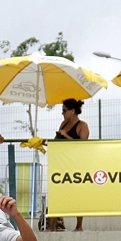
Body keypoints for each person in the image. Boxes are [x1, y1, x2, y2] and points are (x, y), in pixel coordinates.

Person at [47, 98, 90, 233]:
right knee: (57, 192)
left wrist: (67, 136)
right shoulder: (64, 124)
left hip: (77, 164)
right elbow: (57, 142)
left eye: (64, 111)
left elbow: (83, 146)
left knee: (78, 194)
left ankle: (79, 226)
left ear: (72, 111)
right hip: (62, 163)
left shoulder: (82, 126)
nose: (62, 114)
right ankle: (51, 226)